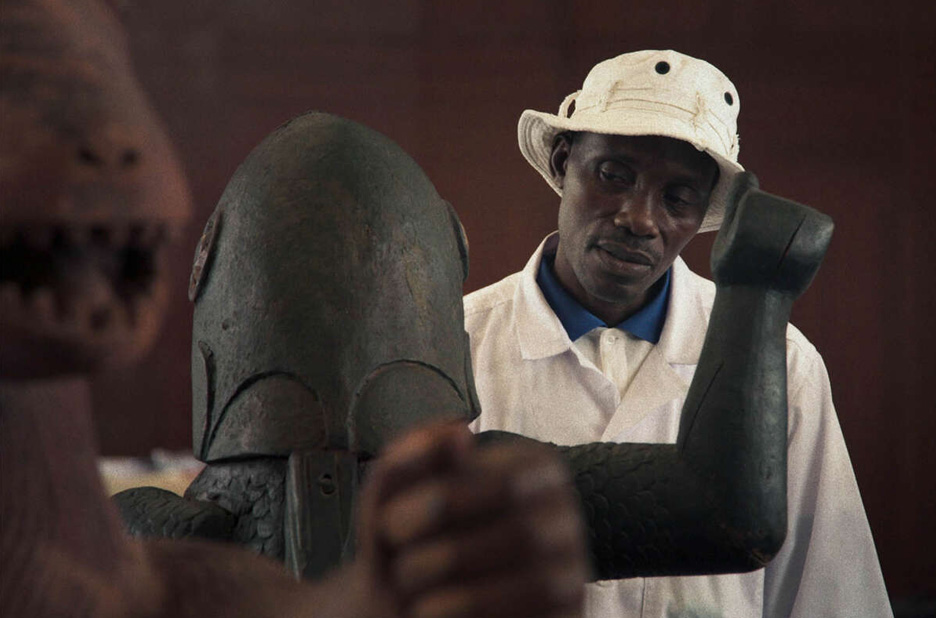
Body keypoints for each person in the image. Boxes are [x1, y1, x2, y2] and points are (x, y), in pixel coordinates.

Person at [465, 49, 892, 618]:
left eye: (678, 197)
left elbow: (831, 594)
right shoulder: (456, 345)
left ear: (703, 216)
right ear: (565, 161)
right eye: (614, 175)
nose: (640, 218)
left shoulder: (782, 367)